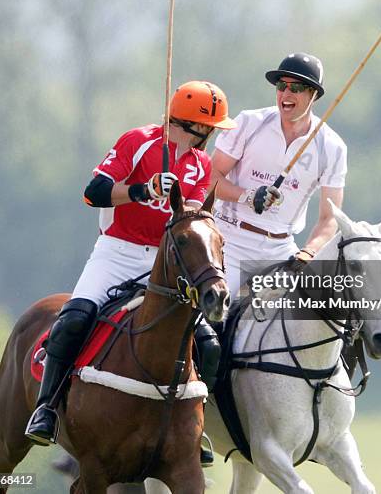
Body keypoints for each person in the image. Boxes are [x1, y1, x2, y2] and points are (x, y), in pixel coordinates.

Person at [25, 80, 236, 449]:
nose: (212, 136)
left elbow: (193, 218)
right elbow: (93, 193)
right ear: (196, 126)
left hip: (163, 262)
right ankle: (45, 407)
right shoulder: (138, 142)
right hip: (116, 253)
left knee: (208, 343)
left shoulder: (201, 165)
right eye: (212, 128)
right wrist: (142, 190)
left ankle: (193, 423)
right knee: (74, 320)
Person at [211, 53, 347, 300]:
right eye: (281, 86)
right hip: (229, 241)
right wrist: (248, 196)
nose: (286, 94)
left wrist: (309, 252)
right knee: (210, 318)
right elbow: (211, 177)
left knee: (325, 315)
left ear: (313, 94)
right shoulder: (249, 123)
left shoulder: (332, 147)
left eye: (295, 88)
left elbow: (330, 218)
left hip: (279, 251)